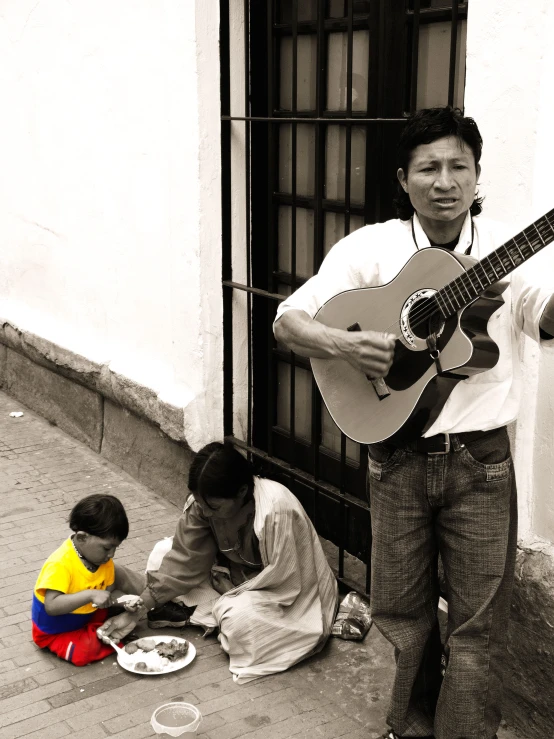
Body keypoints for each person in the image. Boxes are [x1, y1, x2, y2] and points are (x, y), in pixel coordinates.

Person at [272, 106, 554, 739]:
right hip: (395, 456)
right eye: (429, 167)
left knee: (478, 626)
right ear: (404, 178)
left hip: (481, 463)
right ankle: (409, 728)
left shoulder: (511, 252)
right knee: (401, 615)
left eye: (459, 165)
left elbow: (544, 313)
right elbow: (287, 321)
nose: (445, 180)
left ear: (478, 177)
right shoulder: (370, 249)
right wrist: (345, 346)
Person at [99, 440, 338, 683]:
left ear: (242, 492)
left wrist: (234, 592)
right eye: (202, 505)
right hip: (228, 575)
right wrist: (137, 611)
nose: (206, 512)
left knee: (238, 619)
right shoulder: (202, 506)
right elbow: (185, 560)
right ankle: (209, 611)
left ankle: (208, 613)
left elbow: (287, 582)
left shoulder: (276, 510)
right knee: (161, 553)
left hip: (283, 592)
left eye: (213, 507)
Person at [32, 493, 137, 666]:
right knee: (83, 652)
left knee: (120, 613)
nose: (111, 555)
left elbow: (108, 593)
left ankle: (100, 632)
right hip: (55, 630)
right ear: (82, 538)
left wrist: (125, 602)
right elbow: (51, 606)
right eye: (106, 548)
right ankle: (101, 635)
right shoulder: (60, 563)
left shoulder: (104, 561)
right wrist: (89, 595)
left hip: (89, 615)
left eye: (115, 549)